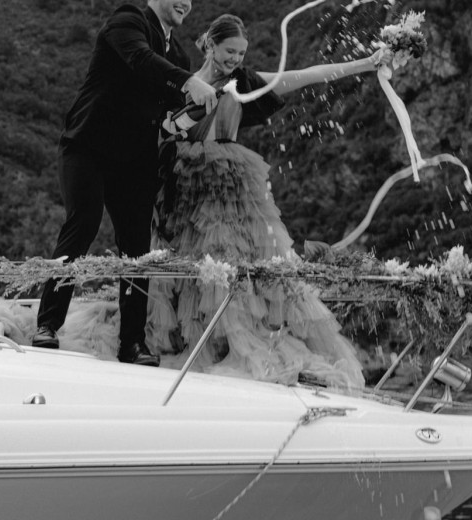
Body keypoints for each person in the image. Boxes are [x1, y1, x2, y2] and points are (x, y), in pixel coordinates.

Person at [148, 14, 392, 389]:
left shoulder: (243, 83)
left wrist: (364, 64)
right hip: (183, 183)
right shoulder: (184, 82)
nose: (235, 59)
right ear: (210, 45)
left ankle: (234, 343)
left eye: (241, 53)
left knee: (235, 258)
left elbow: (303, 75)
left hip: (228, 185)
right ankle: (188, 341)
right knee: (191, 262)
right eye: (230, 51)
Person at [32, 0, 218, 367]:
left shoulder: (179, 54)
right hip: (88, 146)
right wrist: (188, 80)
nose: (185, 2)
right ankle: (48, 324)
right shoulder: (127, 20)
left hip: (134, 160)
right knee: (83, 222)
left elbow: (167, 112)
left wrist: (182, 118)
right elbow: (141, 59)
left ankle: (132, 343)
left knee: (136, 246)